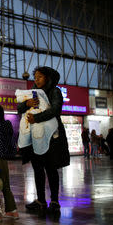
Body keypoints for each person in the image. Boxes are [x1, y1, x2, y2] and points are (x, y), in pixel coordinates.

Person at [18, 67, 70, 214]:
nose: (36, 79)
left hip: (52, 137)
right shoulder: (31, 93)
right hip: (35, 137)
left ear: (48, 78)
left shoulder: (55, 91)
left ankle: (54, 201)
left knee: (51, 168)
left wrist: (37, 118)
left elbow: (55, 110)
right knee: (38, 169)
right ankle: (40, 200)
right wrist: (26, 104)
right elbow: (19, 108)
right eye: (35, 77)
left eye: (40, 77)